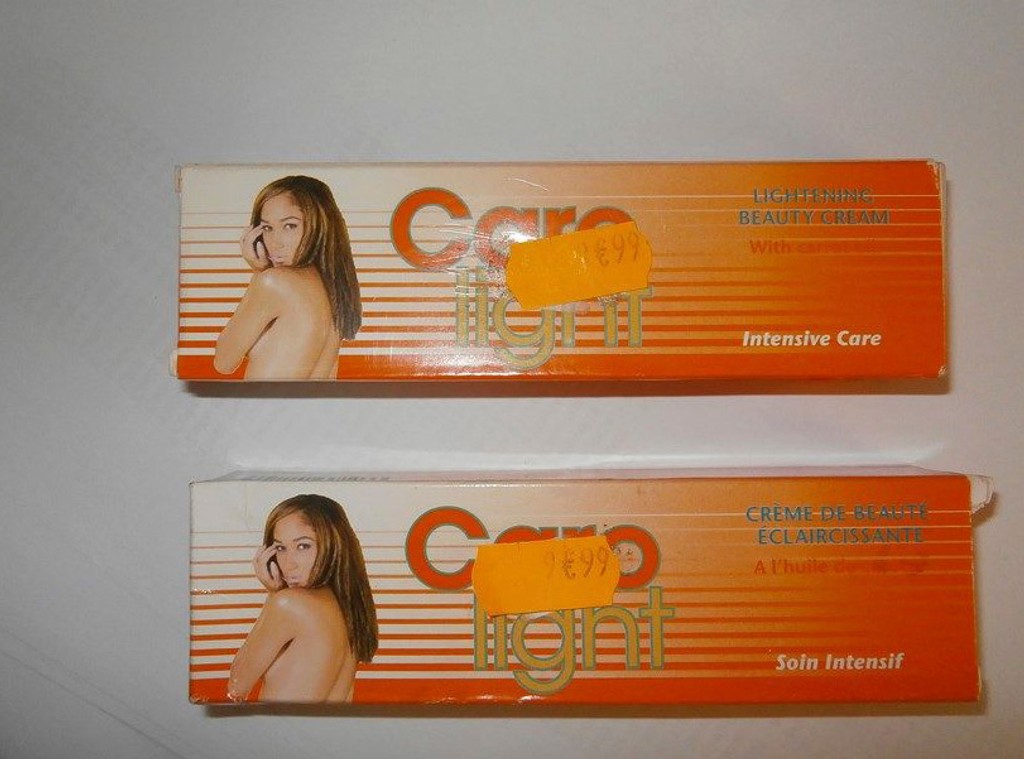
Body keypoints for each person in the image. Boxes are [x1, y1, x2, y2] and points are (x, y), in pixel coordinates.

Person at [227, 494, 378, 703]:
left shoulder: (288, 604)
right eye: (280, 548)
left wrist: (274, 595)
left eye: (303, 546)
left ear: (333, 544)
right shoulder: (349, 612)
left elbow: (237, 685)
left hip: (279, 722)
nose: (288, 564)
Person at [214, 176, 362, 379]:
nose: (275, 243)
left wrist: (260, 273)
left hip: (266, 399)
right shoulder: (333, 292)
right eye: (267, 228)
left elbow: (223, 362)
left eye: (290, 226)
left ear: (320, 225)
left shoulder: (273, 283)